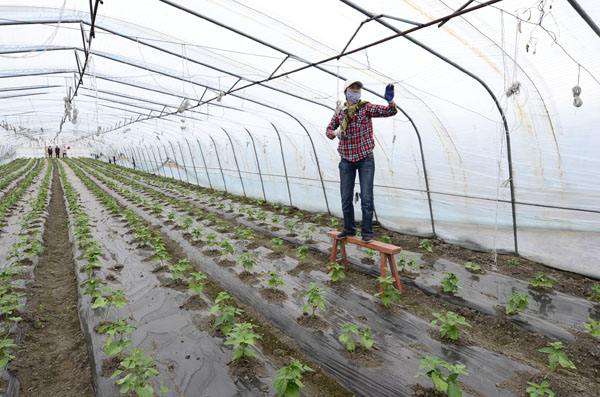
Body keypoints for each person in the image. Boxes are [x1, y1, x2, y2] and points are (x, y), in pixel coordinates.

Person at [326, 80, 397, 242]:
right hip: (346, 159)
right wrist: (336, 132)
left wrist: (390, 100)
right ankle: (349, 229)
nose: (356, 92)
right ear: (346, 92)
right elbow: (328, 131)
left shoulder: (366, 108)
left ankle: (367, 232)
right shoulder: (340, 112)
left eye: (358, 89)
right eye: (353, 89)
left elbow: (390, 112)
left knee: (366, 197)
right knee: (345, 197)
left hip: (365, 158)